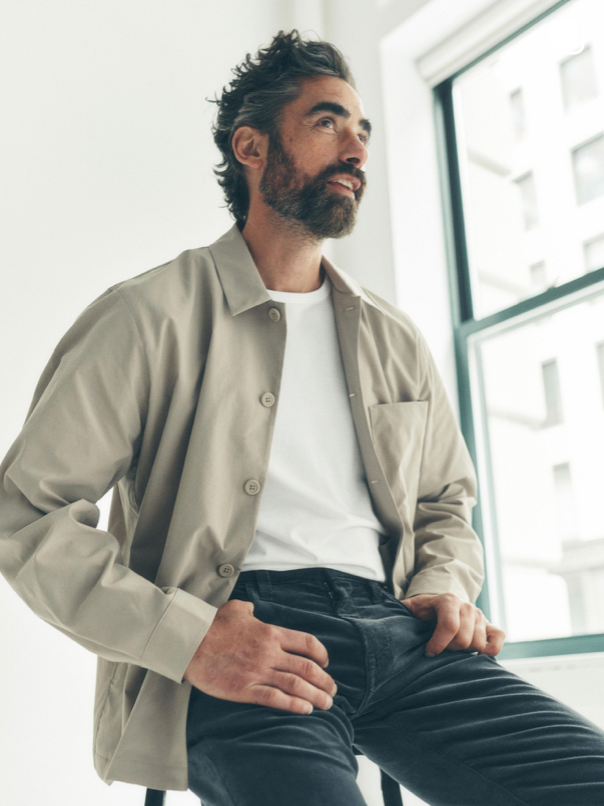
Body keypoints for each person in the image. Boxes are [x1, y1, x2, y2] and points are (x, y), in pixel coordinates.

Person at [0, 29, 603, 806]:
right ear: (251, 147)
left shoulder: (392, 335)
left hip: (403, 633)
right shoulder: (147, 317)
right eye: (327, 123)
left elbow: (445, 503)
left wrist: (446, 582)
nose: (355, 147)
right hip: (245, 633)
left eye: (363, 130)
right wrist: (190, 641)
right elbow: (27, 513)